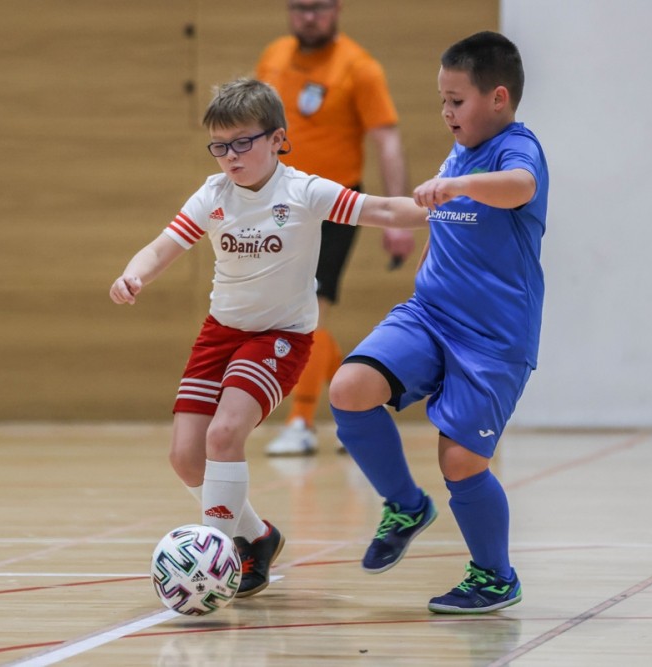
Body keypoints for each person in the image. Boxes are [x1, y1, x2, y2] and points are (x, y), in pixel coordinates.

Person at [109, 78, 429, 598]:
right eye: (219, 146)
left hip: (280, 337)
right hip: (219, 335)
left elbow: (387, 211)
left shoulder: (305, 192)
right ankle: (257, 538)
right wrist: (133, 274)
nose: (230, 157)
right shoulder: (213, 196)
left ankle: (214, 558)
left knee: (223, 436)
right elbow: (162, 247)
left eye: (242, 142)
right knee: (186, 458)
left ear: (278, 138)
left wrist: (452, 206)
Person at [328, 31, 549, 614]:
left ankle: (495, 577)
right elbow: (438, 218)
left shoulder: (516, 149)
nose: (446, 112)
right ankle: (405, 505)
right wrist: (349, 209)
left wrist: (456, 184)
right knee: (350, 388)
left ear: (498, 98)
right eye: (442, 100)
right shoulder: (461, 151)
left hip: (493, 339)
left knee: (460, 461)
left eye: (457, 100)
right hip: (429, 316)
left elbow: (519, 187)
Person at [256, 0, 415, 456]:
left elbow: (387, 141)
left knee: (310, 311)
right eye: (300, 7)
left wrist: (398, 216)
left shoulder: (359, 68)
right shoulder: (273, 57)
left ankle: (302, 422)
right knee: (290, 313)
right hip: (279, 203)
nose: (309, 16)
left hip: (333, 205)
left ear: (337, 9)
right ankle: (363, 406)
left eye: (319, 7)